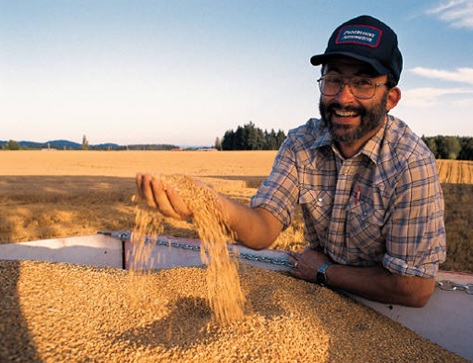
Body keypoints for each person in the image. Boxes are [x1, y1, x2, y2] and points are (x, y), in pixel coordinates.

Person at [137, 15, 446, 308]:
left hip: (383, 308)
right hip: (321, 300)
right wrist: (206, 202)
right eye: (334, 80)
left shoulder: (410, 164)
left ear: (391, 98)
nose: (343, 98)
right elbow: (262, 229)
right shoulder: (302, 144)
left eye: (363, 83)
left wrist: (323, 271)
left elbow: (414, 289)